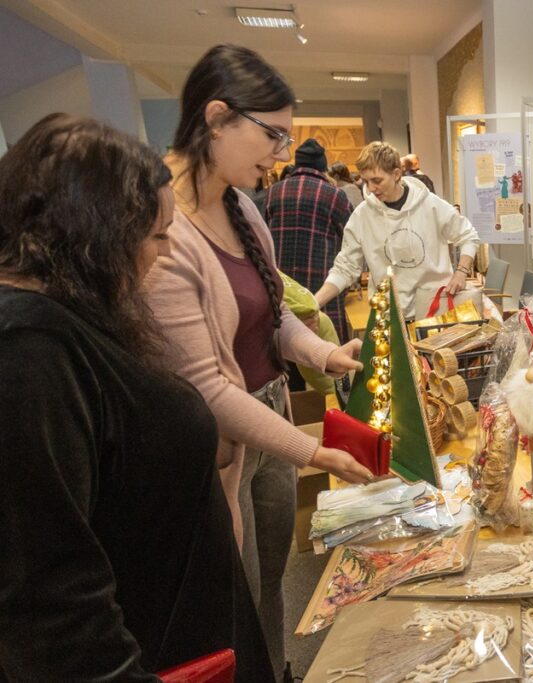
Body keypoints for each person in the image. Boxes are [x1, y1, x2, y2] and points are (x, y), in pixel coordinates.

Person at [0, 114, 273, 681]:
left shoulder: (66, 325)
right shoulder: (27, 350)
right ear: (94, 239)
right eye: (154, 235)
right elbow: (51, 602)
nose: (166, 250)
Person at [145, 44, 373, 683]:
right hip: (222, 446)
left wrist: (328, 354)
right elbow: (208, 388)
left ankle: (275, 671)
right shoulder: (165, 227)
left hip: (269, 415)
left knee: (272, 580)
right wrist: (314, 452)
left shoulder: (245, 207)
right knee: (232, 598)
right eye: (272, 134)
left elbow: (275, 315)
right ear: (217, 118)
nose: (280, 152)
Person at [314, 141, 481, 320]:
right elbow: (345, 267)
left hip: (434, 312)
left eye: (377, 180)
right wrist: (315, 303)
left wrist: (461, 272)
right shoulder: (362, 215)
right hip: (389, 317)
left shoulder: (430, 204)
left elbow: (468, 236)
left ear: (396, 174)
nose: (370, 188)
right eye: (366, 181)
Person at [265, 138, 353, 341]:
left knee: (287, 352)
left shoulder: (273, 193)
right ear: (323, 166)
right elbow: (350, 240)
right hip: (323, 291)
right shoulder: (334, 195)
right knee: (328, 360)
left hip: (283, 291)